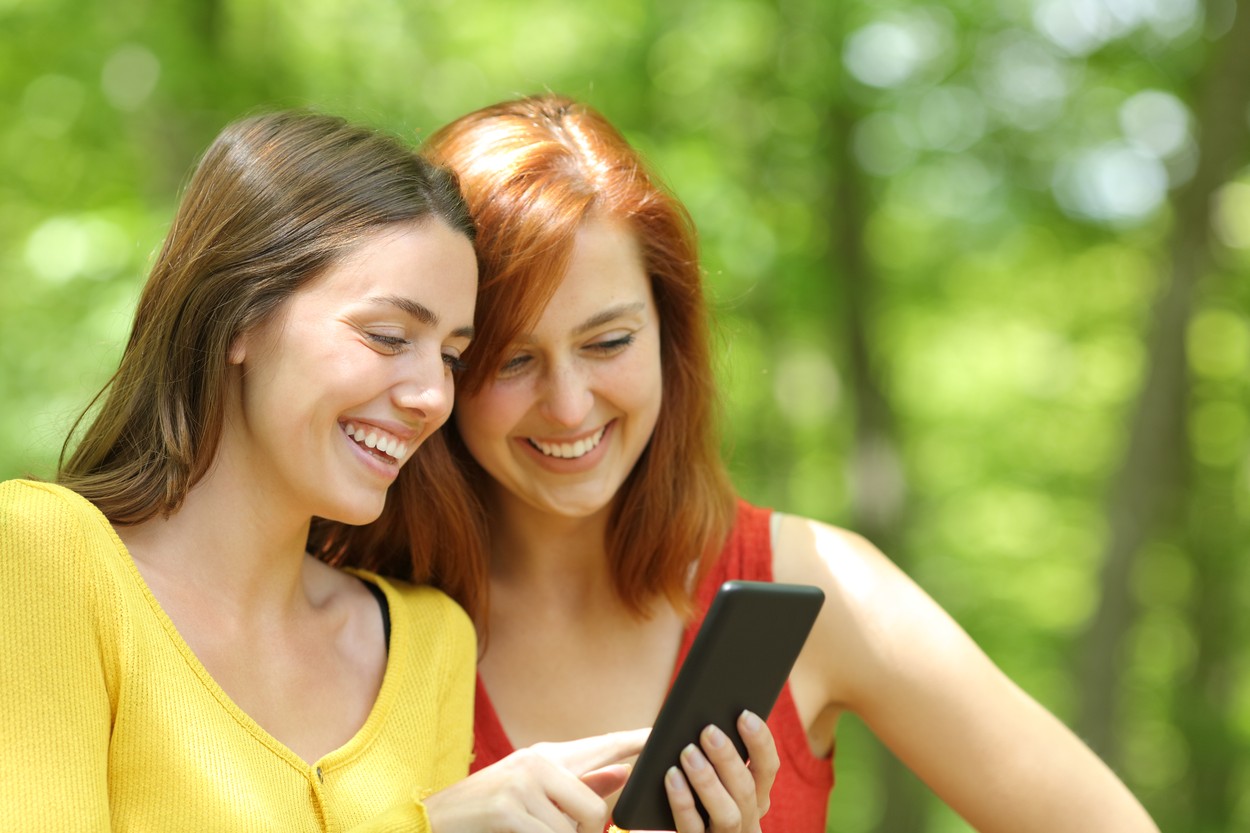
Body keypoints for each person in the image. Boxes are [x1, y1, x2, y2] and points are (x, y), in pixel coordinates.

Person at [410, 94, 1163, 833]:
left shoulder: (821, 584)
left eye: (609, 343)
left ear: (669, 337)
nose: (570, 406)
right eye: (513, 359)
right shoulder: (340, 614)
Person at [0, 109, 654, 833]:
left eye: (451, 356)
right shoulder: (44, 554)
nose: (432, 396)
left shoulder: (429, 641)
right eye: (386, 336)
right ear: (241, 314)